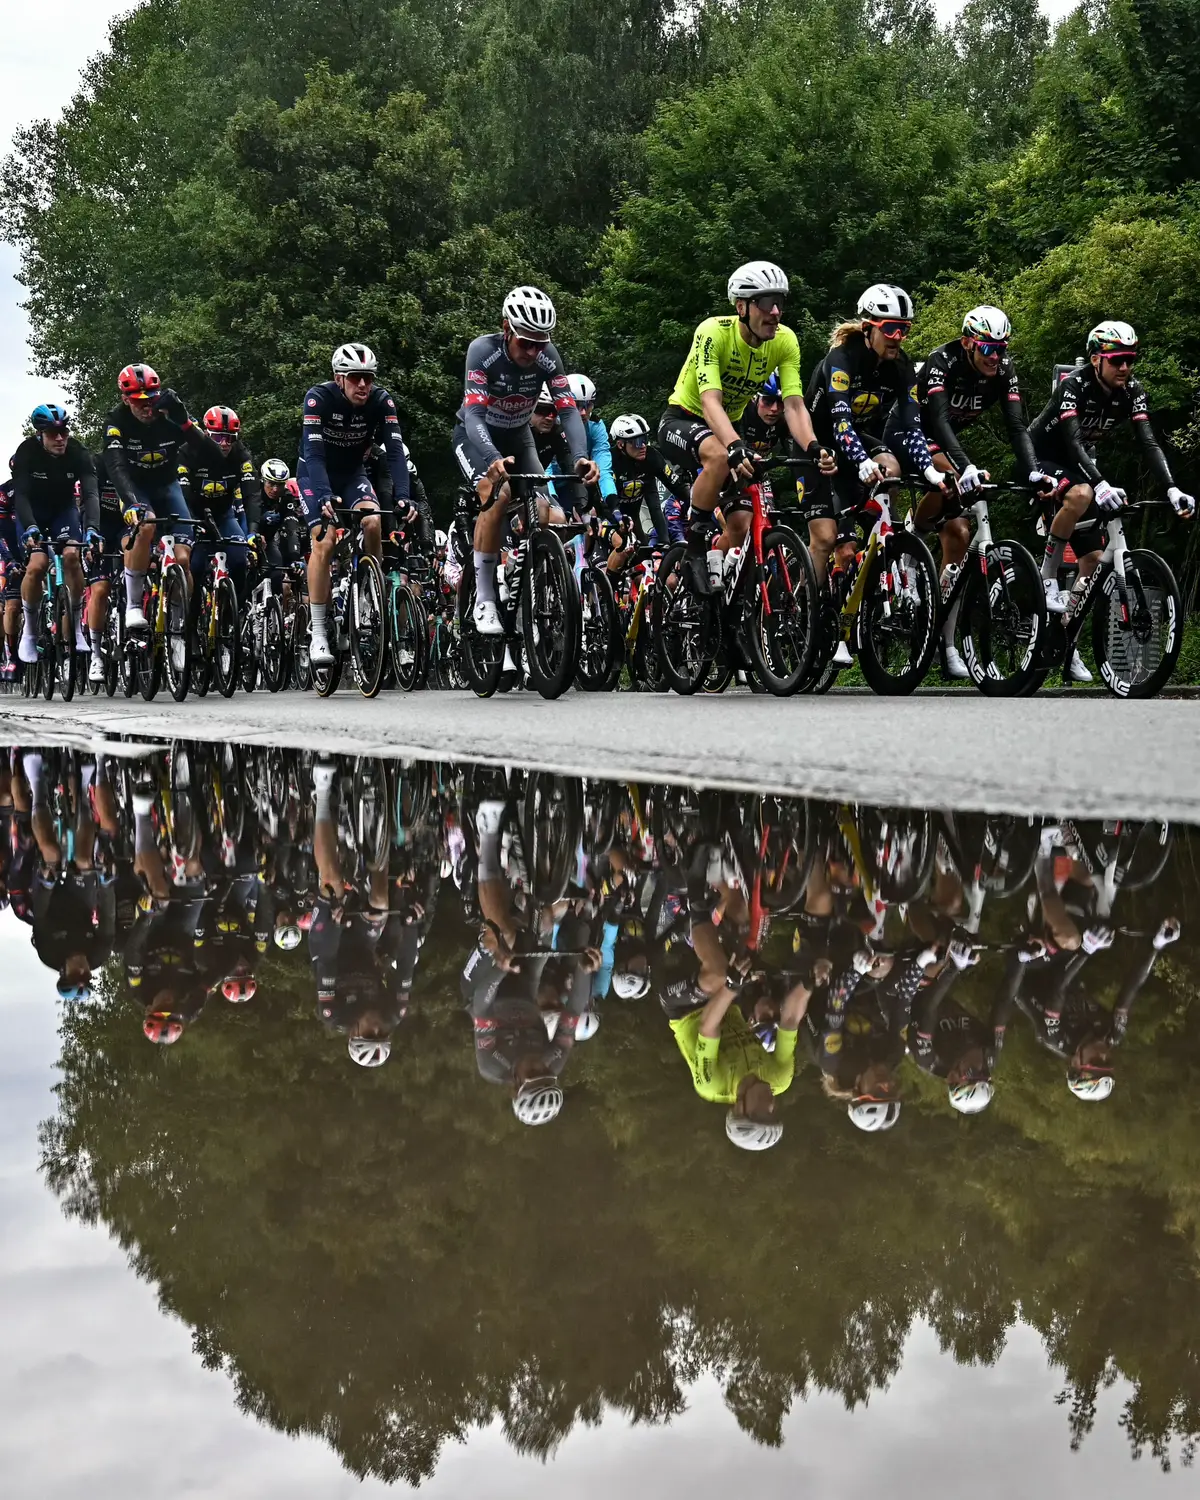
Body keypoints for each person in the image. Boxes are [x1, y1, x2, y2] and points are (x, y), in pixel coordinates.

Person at [1028, 320, 1194, 682]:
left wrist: (1171, 488)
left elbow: (1148, 442)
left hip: (1078, 463)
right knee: (1085, 493)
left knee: (1091, 560)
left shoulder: (1131, 391)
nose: (1124, 367)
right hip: (1042, 458)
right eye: (1117, 359)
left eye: (1130, 359)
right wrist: (1100, 482)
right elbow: (1072, 441)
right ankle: (1046, 577)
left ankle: (1065, 636)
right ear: (1095, 358)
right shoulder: (1075, 385)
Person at [660, 260, 831, 597]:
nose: (776, 312)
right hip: (683, 418)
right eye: (767, 303)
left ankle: (717, 592)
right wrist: (736, 444)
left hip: (728, 426)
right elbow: (710, 401)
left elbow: (794, 405)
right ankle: (694, 546)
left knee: (739, 525)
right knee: (722, 456)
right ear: (742, 306)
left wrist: (813, 445)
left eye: (781, 302)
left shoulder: (785, 341)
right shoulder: (713, 332)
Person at [917, 306, 1056, 678]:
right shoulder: (941, 362)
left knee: (961, 535)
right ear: (967, 343)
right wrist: (965, 467)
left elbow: (1017, 427)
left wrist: (1034, 472)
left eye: (1003, 348)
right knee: (951, 476)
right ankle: (912, 538)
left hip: (945, 443)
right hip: (911, 433)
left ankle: (945, 645)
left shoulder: (1004, 368)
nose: (997, 357)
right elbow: (940, 422)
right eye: (988, 349)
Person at [453, 286, 598, 634]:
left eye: (541, 343)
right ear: (506, 329)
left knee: (547, 510)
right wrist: (492, 458)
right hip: (477, 436)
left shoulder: (549, 357)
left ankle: (522, 576)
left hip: (519, 436)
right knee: (498, 494)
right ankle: (484, 596)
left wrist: (579, 458)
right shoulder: (482, 351)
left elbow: (568, 411)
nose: (534, 351)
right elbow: (473, 415)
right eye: (526, 343)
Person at [297, 342, 411, 666]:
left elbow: (395, 449)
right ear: (339, 378)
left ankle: (368, 593)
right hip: (313, 474)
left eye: (369, 378)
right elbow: (315, 454)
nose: (363, 384)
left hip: (351, 475)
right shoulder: (318, 398)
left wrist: (403, 495)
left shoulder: (381, 400)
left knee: (372, 521)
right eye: (356, 377)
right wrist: (322, 495)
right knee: (325, 540)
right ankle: (319, 632)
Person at [101, 364, 227, 631]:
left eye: (152, 401)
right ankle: (134, 605)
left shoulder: (169, 412)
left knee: (183, 559)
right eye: (139, 403)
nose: (148, 409)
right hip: (136, 487)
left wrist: (184, 422)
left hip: (168, 486)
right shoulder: (115, 421)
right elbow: (115, 467)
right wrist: (131, 501)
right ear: (125, 400)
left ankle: (180, 627)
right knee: (145, 524)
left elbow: (215, 456)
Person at [9, 403, 100, 665]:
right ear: (40, 434)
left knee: (72, 555)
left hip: (64, 510)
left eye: (64, 432)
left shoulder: (79, 452)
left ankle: (76, 625)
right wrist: (29, 526)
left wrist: (92, 527)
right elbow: (22, 496)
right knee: (37, 565)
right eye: (52, 433)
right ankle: (29, 632)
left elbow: (91, 493)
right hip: (34, 513)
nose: (60, 438)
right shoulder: (27, 451)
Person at [187, 405, 262, 603]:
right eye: (219, 437)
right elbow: (181, 492)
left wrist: (253, 530)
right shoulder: (191, 451)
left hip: (223, 515)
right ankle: (192, 622)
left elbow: (252, 494)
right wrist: (192, 523)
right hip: (195, 516)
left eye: (231, 438)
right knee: (194, 567)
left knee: (239, 559)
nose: (225, 443)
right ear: (205, 434)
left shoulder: (240, 454)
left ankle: (231, 611)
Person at [610, 413, 691, 550]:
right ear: (620, 444)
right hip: (611, 515)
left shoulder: (651, 456)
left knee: (646, 551)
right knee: (621, 551)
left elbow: (676, 488)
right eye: (637, 441)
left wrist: (696, 503)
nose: (643, 446)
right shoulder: (610, 460)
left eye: (645, 439)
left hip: (633, 517)